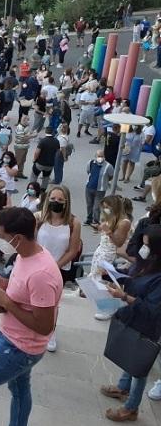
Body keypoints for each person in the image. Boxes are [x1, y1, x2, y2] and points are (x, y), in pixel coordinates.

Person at [0, 207, 62, 426]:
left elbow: (44, 326)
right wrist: (5, 285)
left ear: (17, 238)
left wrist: (6, 302)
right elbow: (25, 295)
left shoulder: (41, 274)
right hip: (12, 340)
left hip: (19, 349)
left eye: (1, 236)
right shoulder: (26, 256)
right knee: (19, 389)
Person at [100, 224, 161, 422]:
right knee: (130, 355)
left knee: (139, 368)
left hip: (147, 325)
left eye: (147, 245)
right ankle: (123, 387)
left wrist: (124, 296)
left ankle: (131, 407)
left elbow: (152, 309)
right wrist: (113, 275)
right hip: (133, 318)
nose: (143, 248)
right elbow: (133, 278)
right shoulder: (146, 262)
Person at [34, 185, 81, 352]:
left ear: (66, 202)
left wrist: (54, 266)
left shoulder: (73, 223)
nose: (56, 202)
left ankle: (50, 332)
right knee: (33, 299)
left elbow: (73, 250)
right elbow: (31, 242)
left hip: (58, 269)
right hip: (36, 267)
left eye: (60, 200)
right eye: (53, 199)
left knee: (53, 304)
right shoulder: (38, 218)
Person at [87, 196, 133, 320]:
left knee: (104, 280)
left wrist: (108, 232)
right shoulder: (111, 218)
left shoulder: (124, 222)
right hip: (100, 251)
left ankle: (108, 309)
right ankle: (104, 305)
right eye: (104, 207)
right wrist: (99, 228)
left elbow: (118, 242)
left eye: (108, 207)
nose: (105, 210)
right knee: (96, 278)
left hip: (109, 254)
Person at [85, 149, 114, 226]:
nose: (100, 158)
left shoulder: (108, 166)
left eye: (101, 156)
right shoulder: (90, 163)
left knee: (96, 207)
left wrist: (105, 181)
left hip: (100, 190)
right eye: (98, 156)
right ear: (95, 156)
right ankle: (89, 219)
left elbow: (111, 176)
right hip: (89, 187)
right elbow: (88, 172)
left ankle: (96, 221)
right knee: (89, 205)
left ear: (104, 156)